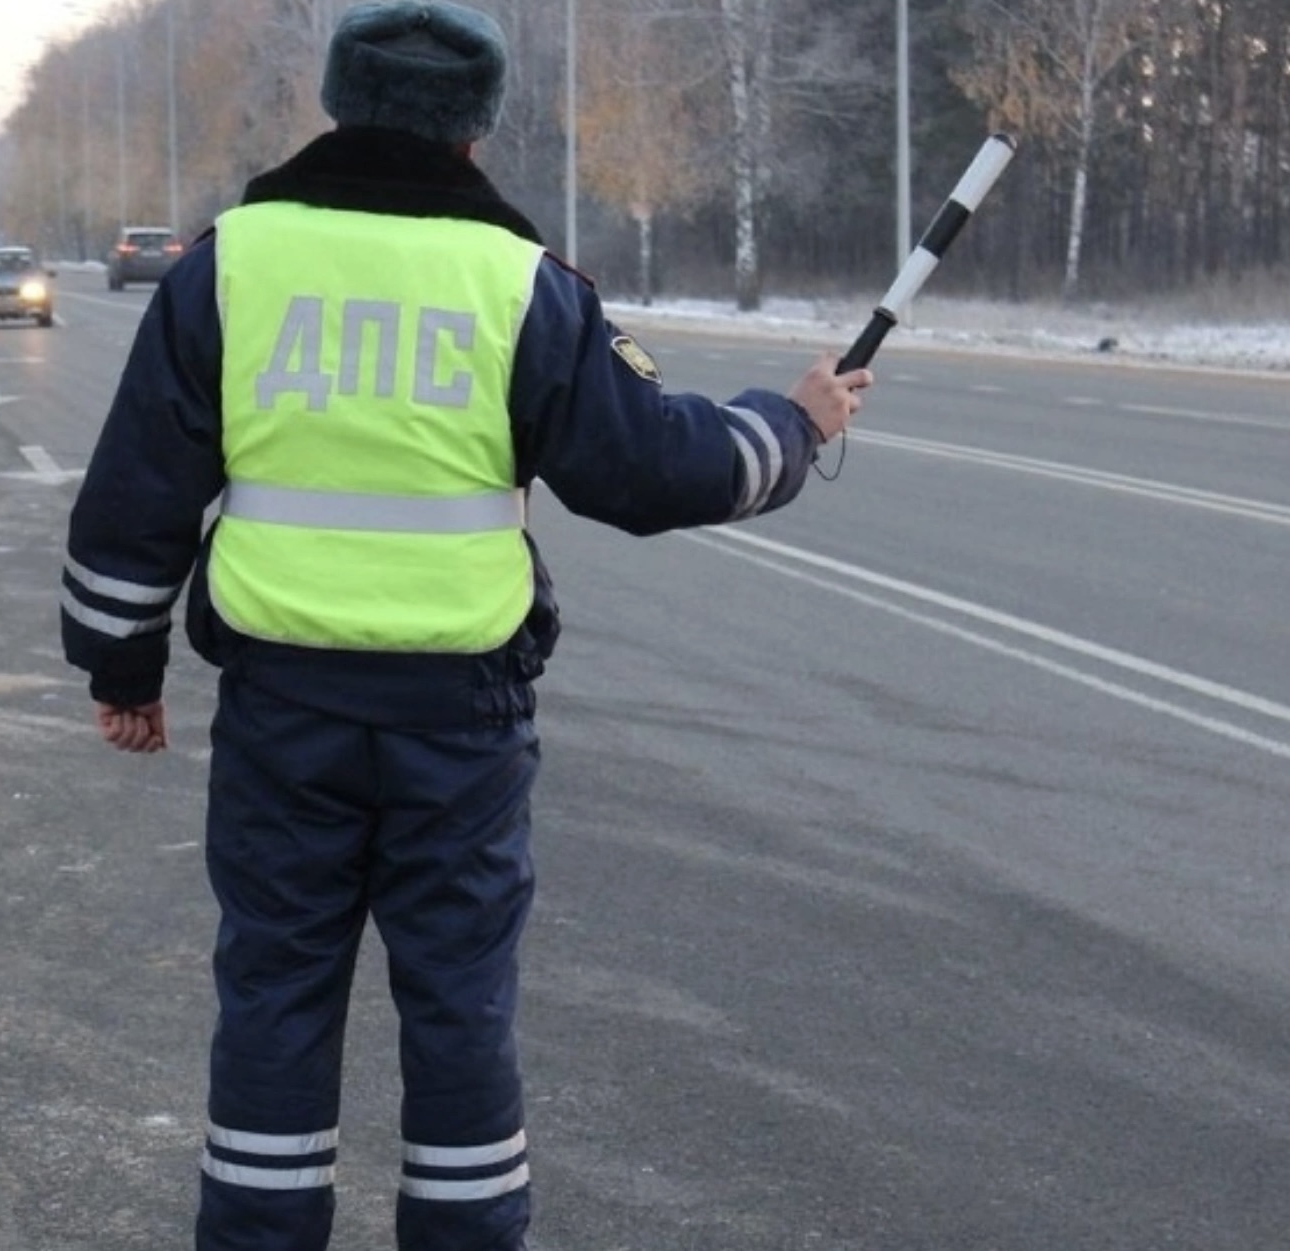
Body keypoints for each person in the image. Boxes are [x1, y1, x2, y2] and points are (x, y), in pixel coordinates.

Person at [60, 4, 872, 1249]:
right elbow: (650, 467)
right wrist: (796, 425)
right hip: (460, 724)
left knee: (275, 993)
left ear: (336, 103)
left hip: (285, 713)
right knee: (457, 1005)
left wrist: (124, 663)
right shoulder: (516, 284)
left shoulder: (234, 263)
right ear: (478, 131)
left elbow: (137, 487)